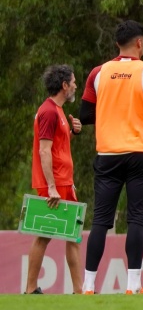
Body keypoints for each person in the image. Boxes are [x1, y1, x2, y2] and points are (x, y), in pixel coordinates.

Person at [80, 20, 143, 295]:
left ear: (117, 44)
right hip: (142, 154)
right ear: (140, 43)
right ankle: (132, 285)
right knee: (136, 219)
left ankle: (88, 285)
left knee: (100, 220)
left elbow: (85, 115)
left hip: (108, 153)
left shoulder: (98, 73)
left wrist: (110, 112)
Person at [25, 65, 84, 294]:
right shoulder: (49, 111)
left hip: (64, 181)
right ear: (64, 85)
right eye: (74, 82)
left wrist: (73, 132)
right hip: (55, 184)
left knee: (73, 236)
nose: (76, 86)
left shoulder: (57, 111)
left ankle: (79, 290)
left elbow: (58, 145)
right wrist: (51, 187)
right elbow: (44, 150)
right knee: (44, 235)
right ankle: (31, 288)